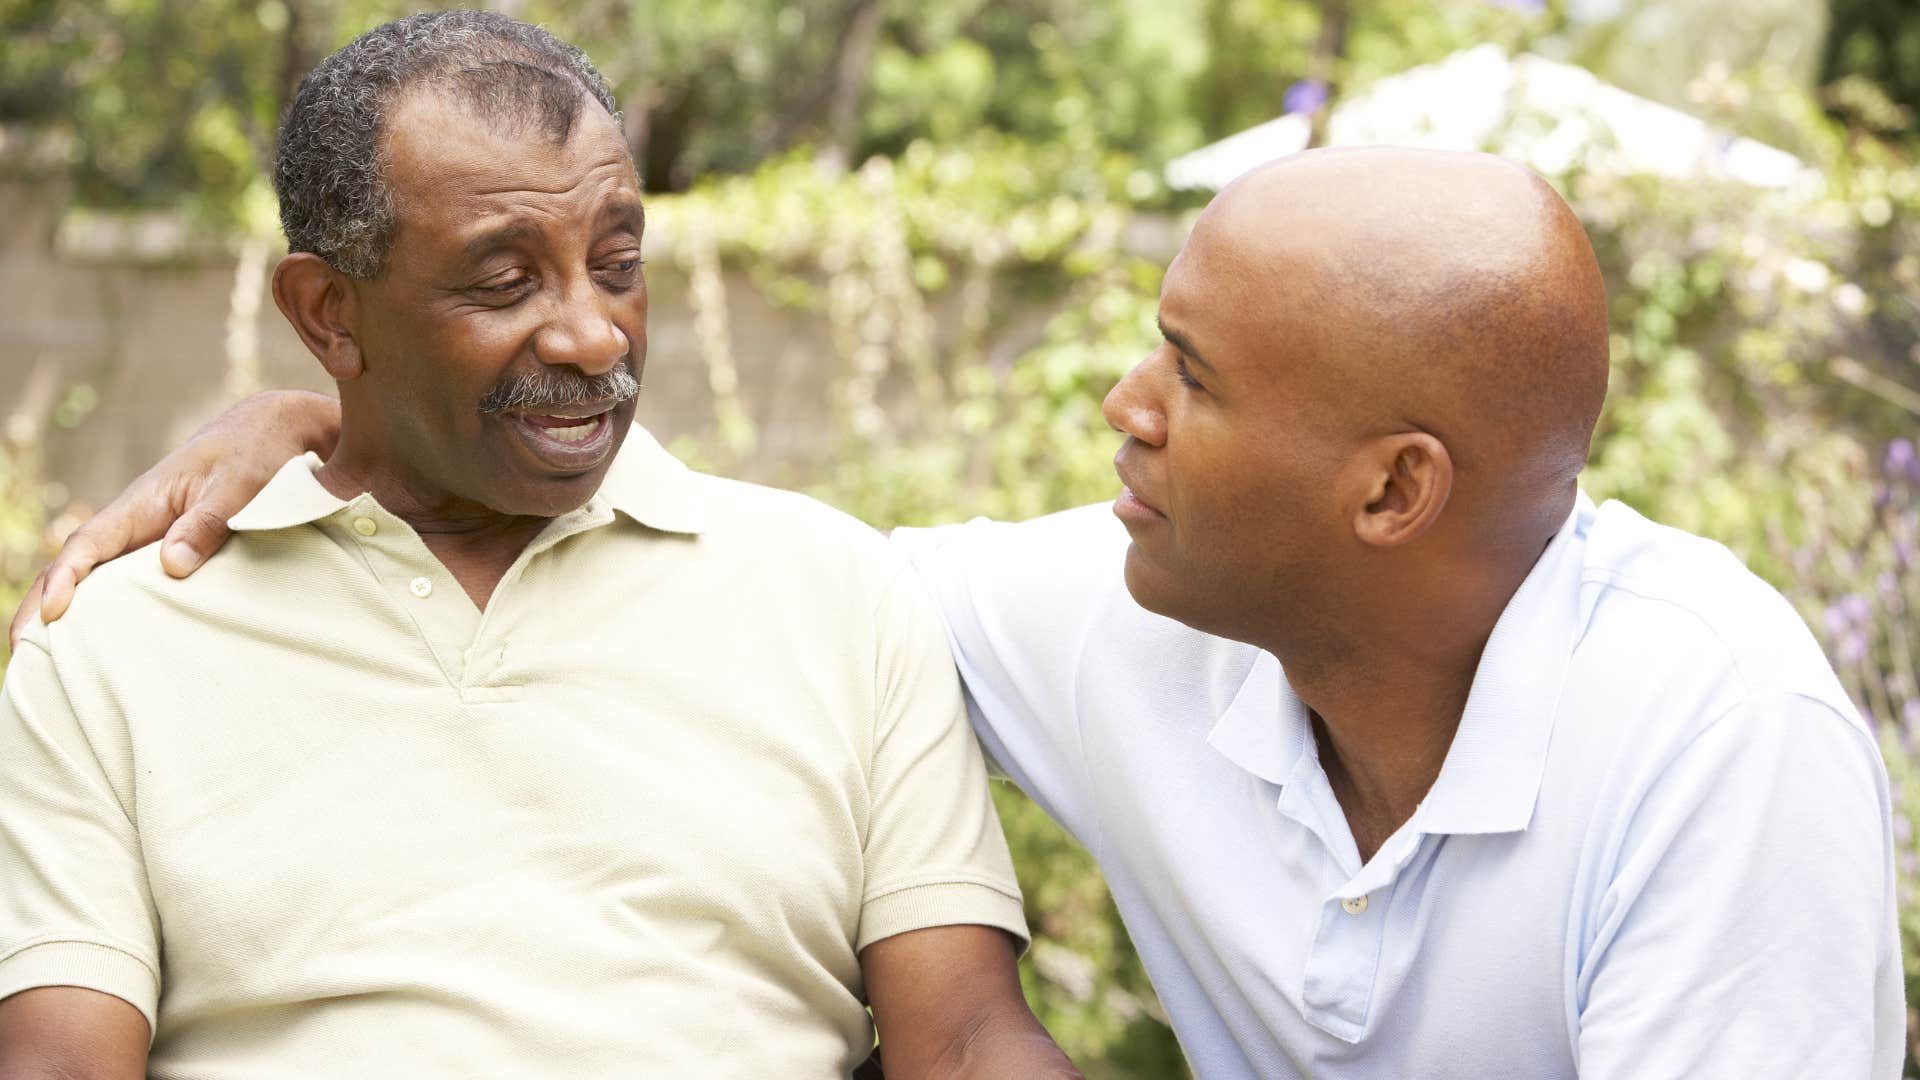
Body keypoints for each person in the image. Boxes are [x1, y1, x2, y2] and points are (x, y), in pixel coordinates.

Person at [12, 143, 1902, 1075]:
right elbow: (739, 582)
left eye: (1193, 376)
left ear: (1394, 491)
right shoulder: (1125, 606)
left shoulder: (1715, 738)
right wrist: (340, 425)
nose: (1121, 408)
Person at [0, 13, 1081, 1079]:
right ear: (329, 313)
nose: (592, 334)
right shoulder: (117, 645)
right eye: (506, 281)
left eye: (616, 263)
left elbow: (969, 1041)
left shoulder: (841, 594)